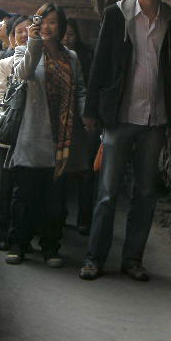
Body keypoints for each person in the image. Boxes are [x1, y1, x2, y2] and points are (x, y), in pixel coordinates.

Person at [79, 0, 171, 281]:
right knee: (108, 192)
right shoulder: (118, 15)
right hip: (119, 117)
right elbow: (100, 63)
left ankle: (133, 260)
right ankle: (94, 259)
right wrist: (91, 112)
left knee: (145, 194)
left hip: (154, 119)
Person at [0, 3, 86, 267]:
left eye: (53, 23)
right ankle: (19, 245)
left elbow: (80, 89)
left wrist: (86, 115)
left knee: (54, 199)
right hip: (30, 133)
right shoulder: (25, 50)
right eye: (43, 22)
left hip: (61, 137)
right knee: (24, 195)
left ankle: (50, 247)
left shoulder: (71, 57)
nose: (48, 27)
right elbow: (24, 73)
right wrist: (34, 41)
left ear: (61, 27)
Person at [0, 11, 23, 251]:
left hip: (30, 129)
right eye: (18, 31)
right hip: (9, 129)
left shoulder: (41, 57)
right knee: (7, 182)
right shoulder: (4, 60)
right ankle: (4, 232)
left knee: (23, 183)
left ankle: (20, 232)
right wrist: (6, 110)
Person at [62, 19, 95, 233]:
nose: (67, 39)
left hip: (83, 119)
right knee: (61, 170)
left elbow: (89, 87)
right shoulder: (52, 55)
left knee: (86, 170)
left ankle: (84, 219)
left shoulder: (86, 56)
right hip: (62, 119)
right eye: (64, 35)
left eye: (71, 35)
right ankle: (59, 217)